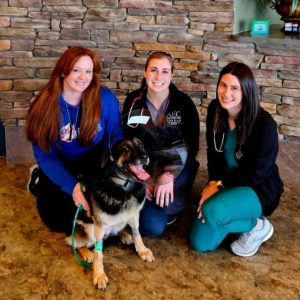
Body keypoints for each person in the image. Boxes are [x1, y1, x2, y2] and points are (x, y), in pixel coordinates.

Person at [26, 46, 123, 235]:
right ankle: (38, 179)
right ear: (63, 71)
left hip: (94, 162)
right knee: (57, 222)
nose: (83, 77)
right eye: (76, 70)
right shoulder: (44, 105)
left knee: (101, 220)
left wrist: (112, 172)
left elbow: (114, 138)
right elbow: (46, 155)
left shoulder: (105, 99)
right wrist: (71, 186)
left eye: (88, 71)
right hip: (60, 162)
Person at [190, 62, 284, 257]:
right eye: (223, 85)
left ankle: (258, 226)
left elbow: (257, 174)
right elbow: (213, 154)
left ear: (246, 92)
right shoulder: (216, 110)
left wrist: (220, 187)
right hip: (226, 183)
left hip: (257, 189)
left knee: (212, 212)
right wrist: (212, 183)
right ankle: (228, 216)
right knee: (200, 243)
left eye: (234, 88)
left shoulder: (264, 125)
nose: (226, 93)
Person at [122, 51, 200, 237]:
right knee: (152, 228)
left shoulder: (185, 104)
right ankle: (151, 206)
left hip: (178, 165)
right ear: (145, 73)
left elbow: (192, 147)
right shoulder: (133, 102)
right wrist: (143, 178)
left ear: (172, 75)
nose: (159, 77)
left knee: (169, 204)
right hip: (145, 167)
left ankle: (170, 207)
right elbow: (127, 142)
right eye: (154, 70)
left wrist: (168, 174)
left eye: (165, 71)